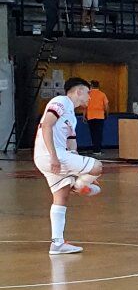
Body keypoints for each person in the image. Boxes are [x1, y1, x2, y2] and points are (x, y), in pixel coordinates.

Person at [34, 77, 103, 255]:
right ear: (78, 91)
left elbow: (71, 143)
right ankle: (79, 187)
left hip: (53, 156)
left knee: (61, 196)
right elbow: (47, 126)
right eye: (88, 93)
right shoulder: (60, 101)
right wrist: (54, 157)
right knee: (97, 166)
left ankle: (57, 243)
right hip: (51, 155)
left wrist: (77, 169)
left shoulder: (71, 114)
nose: (89, 97)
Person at [85, 80, 108, 155]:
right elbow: (106, 106)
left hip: (90, 116)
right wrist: (106, 114)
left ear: (91, 86)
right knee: (99, 133)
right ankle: (98, 150)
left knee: (93, 133)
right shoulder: (102, 94)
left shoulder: (88, 94)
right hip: (100, 116)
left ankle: (94, 148)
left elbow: (85, 106)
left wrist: (84, 116)